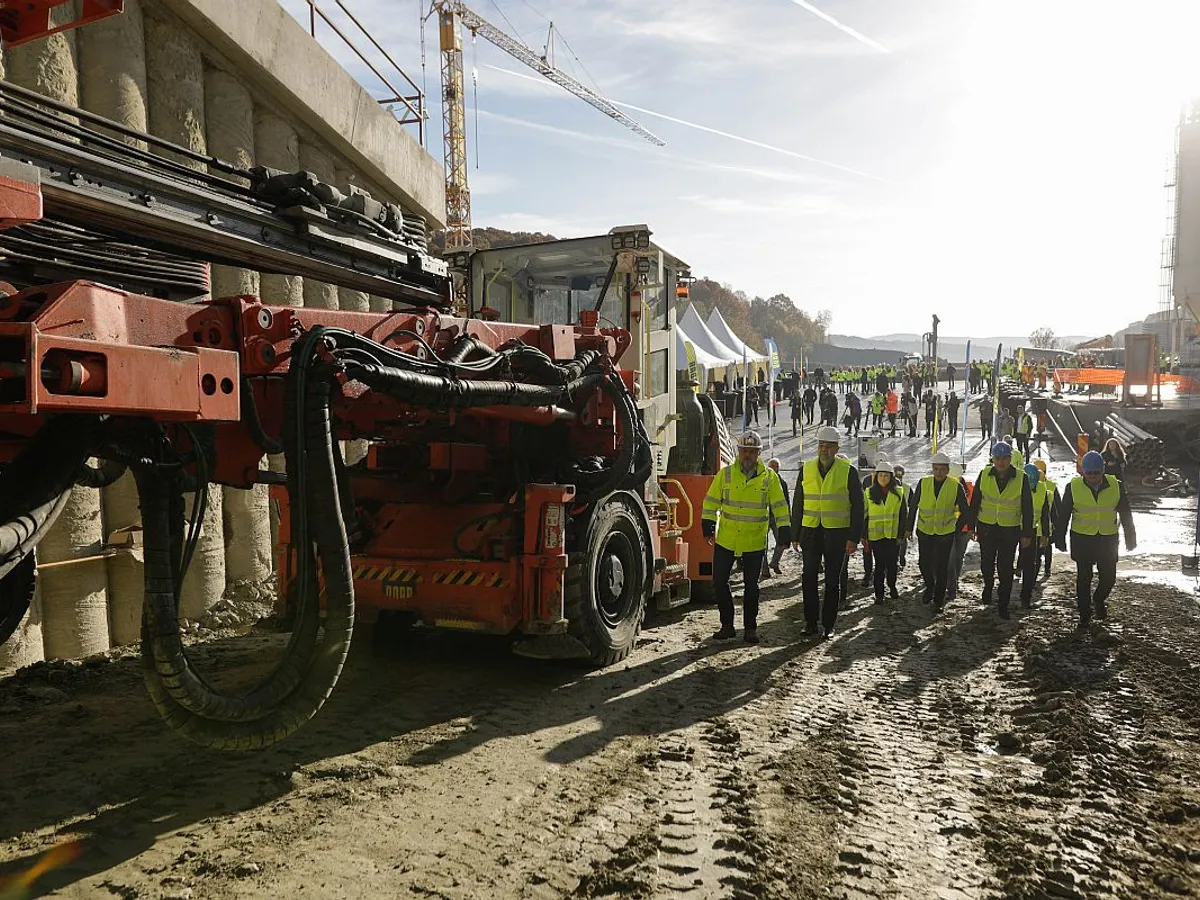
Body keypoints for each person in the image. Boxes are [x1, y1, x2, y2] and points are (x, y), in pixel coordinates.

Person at [701, 431, 792, 644]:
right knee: (719, 582)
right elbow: (711, 501)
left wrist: (784, 531)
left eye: (752, 452)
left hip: (753, 542)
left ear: (759, 453)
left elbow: (780, 506)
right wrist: (708, 525)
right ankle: (727, 625)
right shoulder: (725, 475)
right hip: (727, 539)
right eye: (745, 451)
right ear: (739, 452)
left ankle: (750, 628)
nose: (748, 455)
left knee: (752, 587)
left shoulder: (769, 478)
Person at [792, 426, 864, 639]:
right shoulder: (806, 469)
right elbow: (798, 502)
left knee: (833, 582)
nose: (824, 450)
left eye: (829, 447)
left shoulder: (848, 471)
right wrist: (794, 534)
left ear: (837, 448)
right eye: (821, 446)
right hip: (810, 532)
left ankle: (829, 625)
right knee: (809, 578)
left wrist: (853, 538)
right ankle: (811, 622)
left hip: (837, 534)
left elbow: (858, 507)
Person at [1053, 450, 1136, 630]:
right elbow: (1064, 514)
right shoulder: (1073, 487)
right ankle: (1084, 615)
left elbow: (1125, 512)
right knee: (1084, 578)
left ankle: (1098, 600)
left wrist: (1131, 537)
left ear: (1103, 470)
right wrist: (1059, 537)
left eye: (1096, 473)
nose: (1092, 477)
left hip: (1108, 540)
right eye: (1089, 473)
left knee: (1109, 578)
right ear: (1083, 471)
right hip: (1082, 539)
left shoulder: (1116, 485)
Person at [967, 441, 1033, 619]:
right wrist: (970, 526)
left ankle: (1003, 605)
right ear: (993, 459)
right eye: (998, 458)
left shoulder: (1021, 477)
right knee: (986, 564)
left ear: (1010, 459)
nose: (1001, 462)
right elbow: (975, 501)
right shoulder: (984, 474)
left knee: (1005, 568)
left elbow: (1028, 507)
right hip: (986, 527)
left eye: (1005, 458)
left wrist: (1027, 533)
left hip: (1009, 530)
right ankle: (988, 585)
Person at [907, 451, 971, 611]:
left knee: (942, 567)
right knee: (924, 563)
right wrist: (908, 528)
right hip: (925, 531)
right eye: (936, 469)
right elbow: (913, 506)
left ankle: (938, 600)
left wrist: (956, 527)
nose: (939, 472)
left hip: (945, 533)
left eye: (942, 469)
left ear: (948, 470)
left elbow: (965, 511)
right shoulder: (923, 483)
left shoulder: (955, 486)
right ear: (932, 469)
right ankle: (930, 586)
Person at [863, 464, 907, 604]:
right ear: (876, 477)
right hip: (876, 536)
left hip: (893, 536)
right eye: (881, 475)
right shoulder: (869, 493)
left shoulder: (899, 493)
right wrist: (864, 535)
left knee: (892, 564)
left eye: (886, 475)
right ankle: (879, 593)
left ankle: (892, 586)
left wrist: (901, 535)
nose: (883, 478)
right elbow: (864, 515)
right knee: (880, 565)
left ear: (891, 477)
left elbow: (902, 515)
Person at [1016, 464, 1053, 607]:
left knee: (1030, 564)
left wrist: (1045, 534)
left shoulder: (1042, 489)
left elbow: (1045, 514)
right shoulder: (1015, 488)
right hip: (1012, 527)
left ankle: (1026, 596)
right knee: (1006, 561)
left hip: (1031, 530)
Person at [946, 462, 974, 601]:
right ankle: (951, 585)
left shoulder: (969, 487)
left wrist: (972, 529)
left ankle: (953, 583)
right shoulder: (946, 486)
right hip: (947, 528)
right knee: (949, 558)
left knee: (957, 557)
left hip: (962, 529)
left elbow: (974, 509)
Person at [762, 457, 791, 578]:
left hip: (777, 518)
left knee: (782, 541)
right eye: (771, 466)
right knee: (762, 545)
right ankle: (764, 569)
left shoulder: (782, 483)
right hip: (764, 517)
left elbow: (786, 502)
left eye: (776, 466)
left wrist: (788, 518)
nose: (773, 469)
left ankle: (774, 562)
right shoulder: (762, 481)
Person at [1032, 458, 1059, 578]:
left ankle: (1044, 569)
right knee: (1045, 548)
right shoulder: (1051, 486)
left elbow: (1055, 507)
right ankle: (1046, 569)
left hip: (1039, 525)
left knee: (1041, 551)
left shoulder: (1047, 486)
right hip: (1044, 525)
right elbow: (1057, 507)